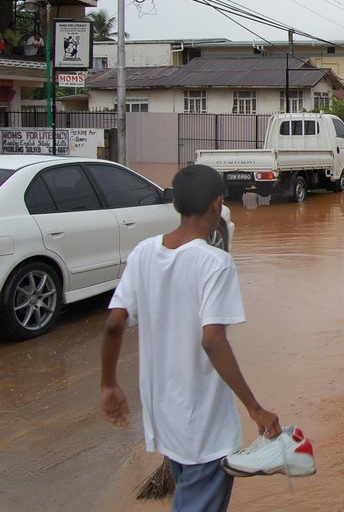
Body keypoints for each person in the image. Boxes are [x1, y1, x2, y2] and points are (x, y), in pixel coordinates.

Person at [100, 164, 281, 512]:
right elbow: (213, 340)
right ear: (217, 205)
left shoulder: (143, 253)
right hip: (204, 426)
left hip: (163, 418)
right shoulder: (216, 263)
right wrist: (255, 408)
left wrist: (108, 384)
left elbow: (113, 324)